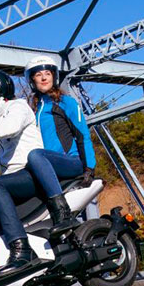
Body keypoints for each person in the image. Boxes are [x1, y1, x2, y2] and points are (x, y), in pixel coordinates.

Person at [0, 70, 68, 276]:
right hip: (12, 183)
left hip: (32, 175)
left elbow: (12, 127)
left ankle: (23, 250)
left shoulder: (18, 107)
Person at [24, 56, 97, 237]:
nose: (43, 78)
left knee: (35, 155)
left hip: (71, 161)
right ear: (32, 80)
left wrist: (89, 166)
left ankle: (62, 213)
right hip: (47, 166)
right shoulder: (34, 109)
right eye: (38, 75)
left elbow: (83, 134)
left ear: (54, 77)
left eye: (47, 73)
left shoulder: (66, 102)